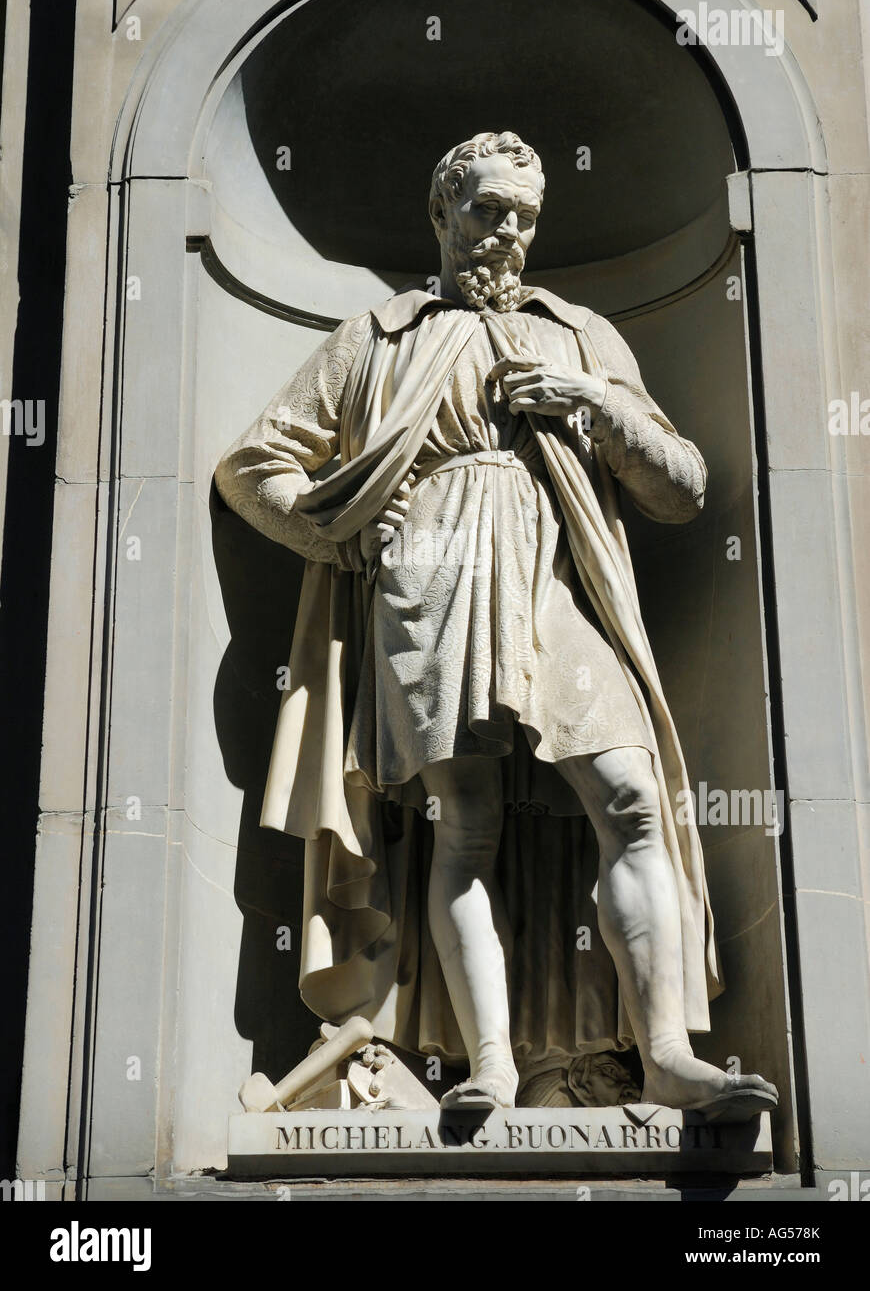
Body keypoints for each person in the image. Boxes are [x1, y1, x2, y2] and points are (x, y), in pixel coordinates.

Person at [216, 131, 777, 1122]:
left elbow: (680, 487)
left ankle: (666, 1053)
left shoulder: (581, 335)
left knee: (632, 793)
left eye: (524, 214)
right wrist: (338, 530)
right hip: (426, 592)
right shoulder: (379, 338)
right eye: (488, 209)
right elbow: (254, 467)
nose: (509, 232)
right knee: (461, 824)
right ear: (444, 213)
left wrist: (593, 402)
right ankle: (490, 1064)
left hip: (556, 584)